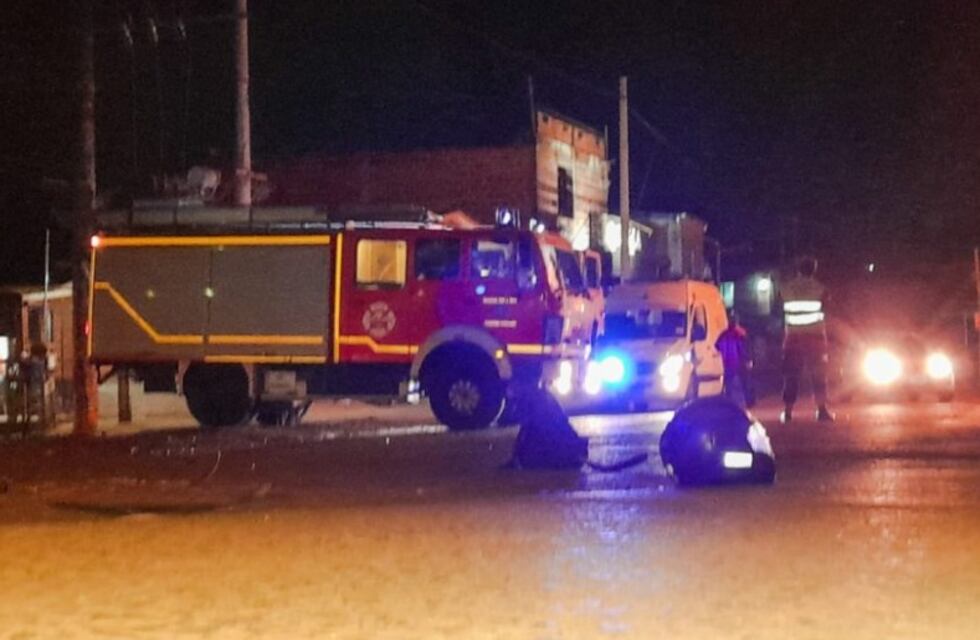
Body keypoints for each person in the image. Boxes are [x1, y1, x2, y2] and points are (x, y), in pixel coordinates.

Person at [779, 256, 833, 423]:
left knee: (791, 375)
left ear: (798, 269)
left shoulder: (785, 288)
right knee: (818, 375)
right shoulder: (821, 289)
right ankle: (822, 410)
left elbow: (778, 308)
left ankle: (788, 412)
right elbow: (828, 310)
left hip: (793, 339)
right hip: (815, 339)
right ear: (814, 270)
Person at [716, 310, 753, 409]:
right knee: (742, 384)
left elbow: (717, 346)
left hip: (728, 363)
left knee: (729, 385)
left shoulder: (724, 334)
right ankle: (744, 404)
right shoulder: (740, 333)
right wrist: (748, 359)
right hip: (738, 363)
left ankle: (731, 404)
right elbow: (745, 348)